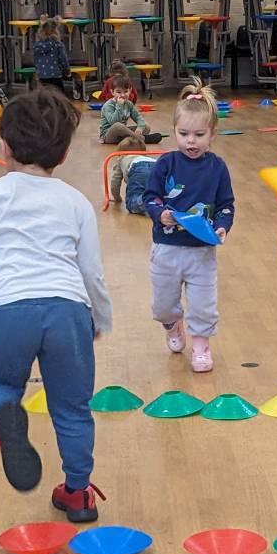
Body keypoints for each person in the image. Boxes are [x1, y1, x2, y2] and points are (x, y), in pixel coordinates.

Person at [0, 90, 113, 523]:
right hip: (67, 312)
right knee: (72, 408)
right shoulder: (75, 201)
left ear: (4, 146)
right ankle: (79, 493)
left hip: (9, 311)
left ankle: (4, 415)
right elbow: (92, 271)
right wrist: (99, 318)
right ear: (64, 154)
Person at [143, 79, 234, 373]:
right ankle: (172, 325)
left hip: (201, 251)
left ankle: (201, 347)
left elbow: (226, 205)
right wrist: (160, 214)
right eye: (183, 134)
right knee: (163, 305)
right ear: (174, 132)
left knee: (204, 304)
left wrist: (222, 226)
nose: (191, 141)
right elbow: (150, 196)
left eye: (199, 134)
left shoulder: (217, 167)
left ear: (213, 134)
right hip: (166, 249)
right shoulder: (166, 163)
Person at [99, 76, 161, 144]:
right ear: (112, 92)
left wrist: (140, 128)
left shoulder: (129, 104)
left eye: (125, 91)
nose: (122, 95)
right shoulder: (108, 105)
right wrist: (119, 106)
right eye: (118, 92)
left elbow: (138, 117)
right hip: (108, 136)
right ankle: (142, 138)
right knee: (118, 126)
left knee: (146, 127)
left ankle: (131, 138)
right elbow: (113, 122)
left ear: (130, 90)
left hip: (122, 133)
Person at [110, 137, 156, 215]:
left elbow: (116, 181)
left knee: (132, 203)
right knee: (158, 188)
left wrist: (117, 197)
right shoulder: (146, 157)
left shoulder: (122, 158)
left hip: (138, 168)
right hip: (156, 165)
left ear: (120, 153)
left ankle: (143, 200)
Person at [33, 15, 70, 93]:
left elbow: (35, 60)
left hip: (42, 76)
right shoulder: (58, 44)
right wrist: (67, 71)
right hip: (56, 75)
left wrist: (38, 71)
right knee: (59, 97)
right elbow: (63, 59)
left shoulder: (37, 46)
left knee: (44, 97)